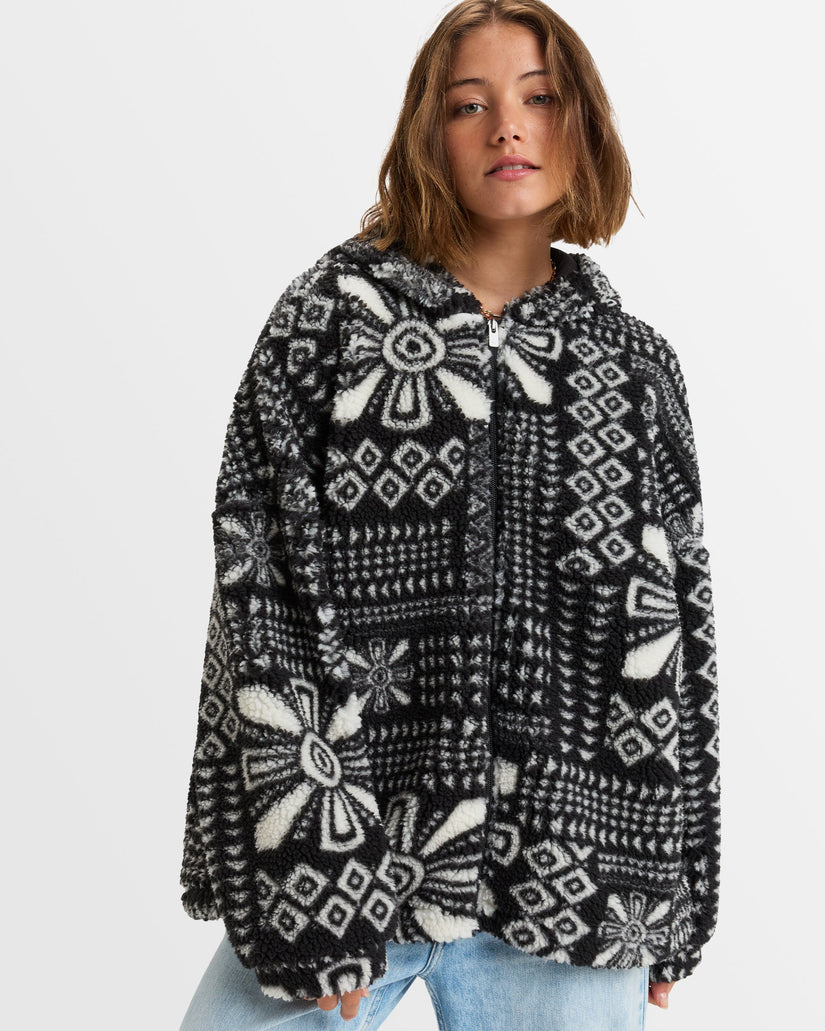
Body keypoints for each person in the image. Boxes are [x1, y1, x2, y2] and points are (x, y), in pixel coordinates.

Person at [177, 1, 721, 1028]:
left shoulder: (636, 366)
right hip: (347, 864)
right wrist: (315, 876)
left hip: (575, 882)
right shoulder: (327, 323)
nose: (507, 126)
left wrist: (678, 895)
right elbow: (264, 592)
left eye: (539, 98)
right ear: (428, 137)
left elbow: (676, 634)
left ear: (583, 124)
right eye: (469, 105)